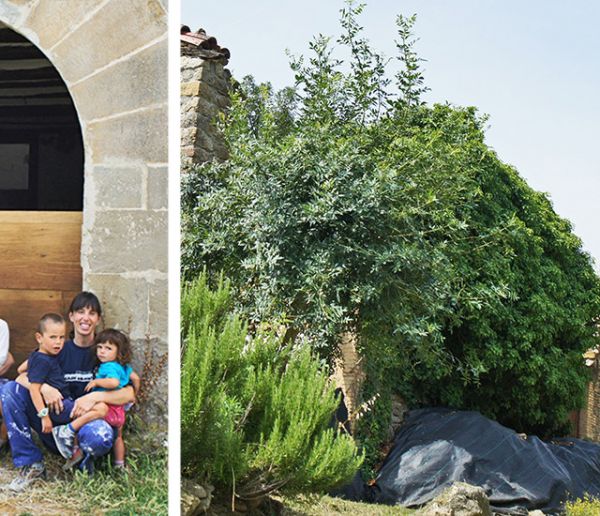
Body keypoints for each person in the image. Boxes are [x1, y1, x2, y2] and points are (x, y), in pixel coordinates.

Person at [0, 292, 137, 491]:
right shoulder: (57, 346)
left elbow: (129, 394)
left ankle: (83, 463)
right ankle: (31, 465)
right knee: (10, 391)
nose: (85, 318)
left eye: (92, 313)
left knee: (102, 435)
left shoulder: (104, 351)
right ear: (71, 316)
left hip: (85, 427)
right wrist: (44, 388)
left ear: (98, 319)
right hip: (54, 427)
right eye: (80, 312)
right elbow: (21, 376)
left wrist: (94, 396)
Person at [53, 328, 140, 469]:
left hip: (106, 408)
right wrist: (134, 394)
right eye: (99, 347)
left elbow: (114, 382)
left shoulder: (107, 367)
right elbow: (135, 378)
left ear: (119, 352)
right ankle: (119, 464)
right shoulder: (125, 367)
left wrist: (96, 382)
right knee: (118, 437)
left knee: (82, 419)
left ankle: (69, 434)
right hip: (119, 410)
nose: (102, 351)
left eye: (108, 348)